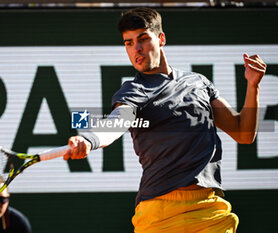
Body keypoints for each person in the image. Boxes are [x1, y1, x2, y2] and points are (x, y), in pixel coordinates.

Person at [64, 7, 267, 233]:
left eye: (142, 39)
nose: (136, 49)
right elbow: (117, 121)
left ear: (161, 39)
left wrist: (253, 85)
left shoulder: (198, 82)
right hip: (159, 215)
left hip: (210, 211)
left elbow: (243, 133)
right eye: (128, 43)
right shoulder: (134, 90)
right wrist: (90, 140)